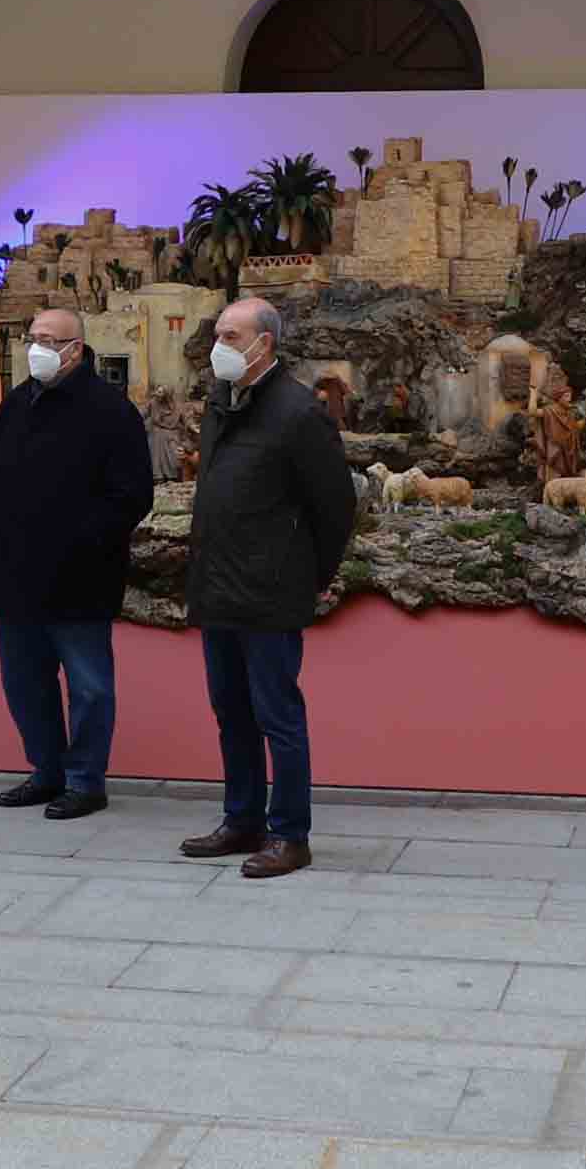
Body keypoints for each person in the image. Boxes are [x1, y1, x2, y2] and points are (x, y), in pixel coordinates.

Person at [182, 298, 355, 880]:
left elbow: (335, 508)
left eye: (232, 334)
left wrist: (309, 577)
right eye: (219, 333)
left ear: (265, 344)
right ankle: (242, 820)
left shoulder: (299, 413)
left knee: (277, 715)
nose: (220, 343)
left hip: (271, 592)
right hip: (218, 587)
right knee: (229, 711)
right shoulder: (220, 405)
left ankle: (290, 835)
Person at [0, 305, 155, 820]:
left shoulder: (111, 411)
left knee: (89, 685)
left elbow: (131, 495)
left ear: (76, 349)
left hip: (80, 575)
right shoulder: (15, 406)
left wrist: (81, 541)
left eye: (49, 340)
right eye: (33, 337)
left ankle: (85, 780)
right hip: (15, 573)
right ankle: (45, 770)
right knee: (23, 681)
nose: (37, 348)